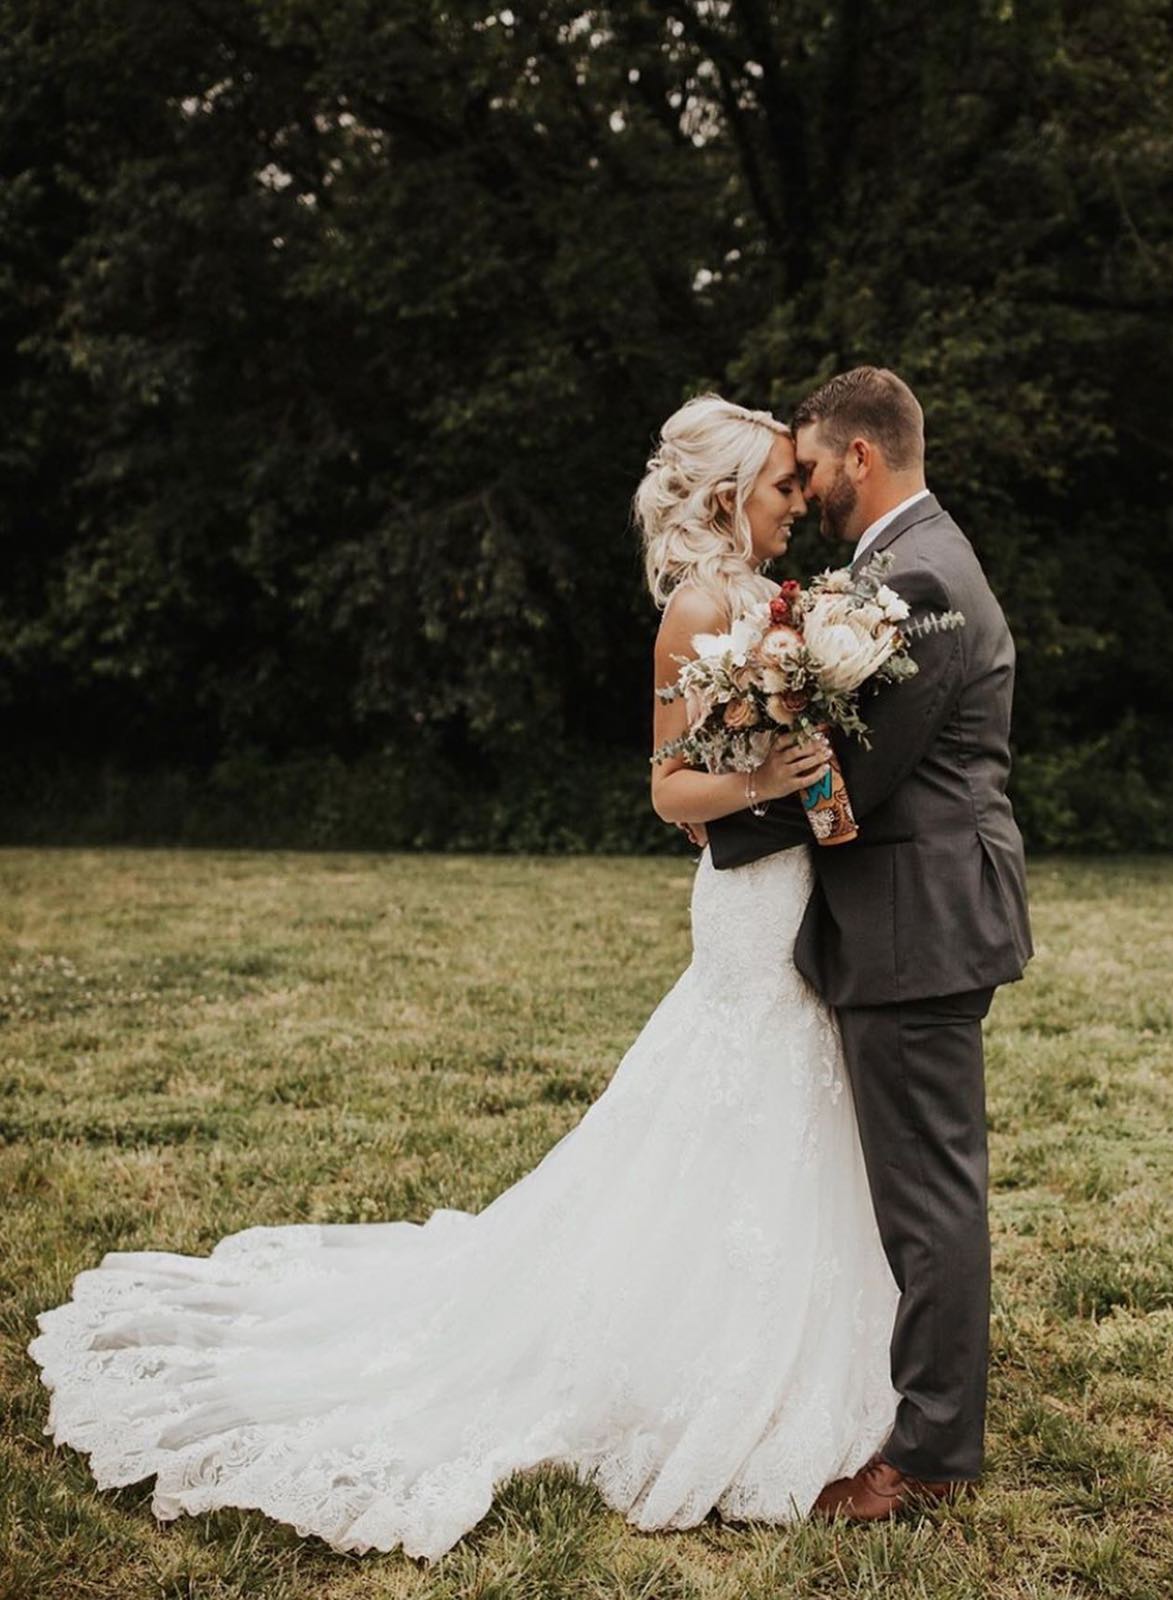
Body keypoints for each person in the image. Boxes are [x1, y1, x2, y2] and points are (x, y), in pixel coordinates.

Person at [27, 393, 905, 1562]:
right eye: (782, 488)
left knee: (802, 1101)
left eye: (801, 488)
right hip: (746, 911)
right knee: (737, 1092)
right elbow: (670, 794)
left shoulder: (775, 607)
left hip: (797, 892)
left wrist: (814, 766)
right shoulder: (698, 608)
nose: (799, 504)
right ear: (724, 493)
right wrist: (771, 779)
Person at [706, 366, 1033, 1520]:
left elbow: (860, 776)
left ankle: (933, 1451)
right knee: (916, 1182)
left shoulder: (924, 580)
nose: (808, 488)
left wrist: (716, 813)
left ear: (860, 455)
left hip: (920, 919)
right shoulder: (895, 568)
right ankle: (921, 1402)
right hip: (907, 912)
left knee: (930, 1192)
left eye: (813, 464)